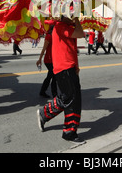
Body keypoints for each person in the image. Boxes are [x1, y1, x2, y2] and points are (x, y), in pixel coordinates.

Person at [37, 16, 86, 144]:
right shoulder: (60, 27)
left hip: (67, 68)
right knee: (73, 101)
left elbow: (71, 49)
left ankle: (44, 114)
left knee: (65, 98)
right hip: (64, 69)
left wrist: (76, 65)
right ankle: (69, 133)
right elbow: (81, 34)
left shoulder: (65, 27)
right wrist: (76, 20)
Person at [36, 25, 57, 98]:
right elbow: (44, 48)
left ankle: (43, 91)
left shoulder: (55, 36)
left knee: (51, 76)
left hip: (54, 59)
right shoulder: (49, 36)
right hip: (48, 60)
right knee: (53, 76)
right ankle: (54, 94)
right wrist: (39, 59)